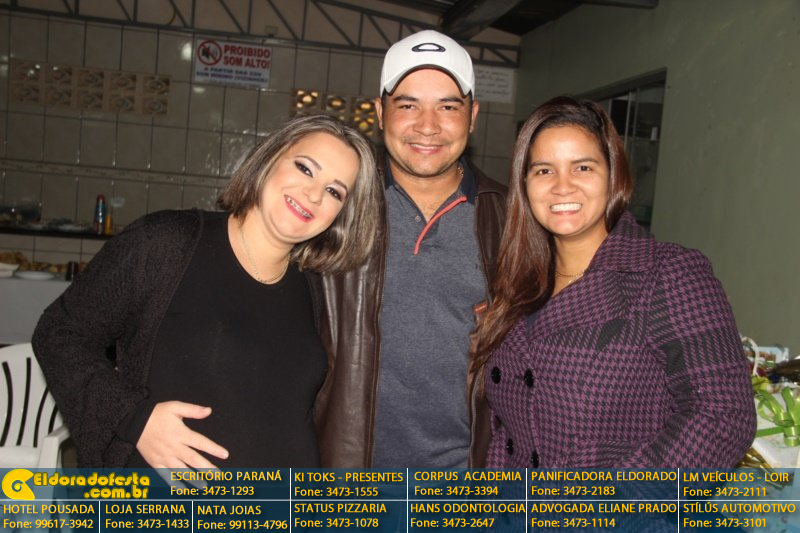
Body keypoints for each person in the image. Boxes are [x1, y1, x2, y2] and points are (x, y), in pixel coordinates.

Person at [32, 114, 381, 468]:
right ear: (270, 158)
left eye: (335, 191)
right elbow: (58, 333)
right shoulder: (167, 243)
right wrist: (134, 419)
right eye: (305, 168)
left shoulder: (313, 285)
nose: (314, 194)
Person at [473, 96, 756, 468]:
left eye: (583, 167)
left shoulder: (667, 274)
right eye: (543, 170)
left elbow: (723, 416)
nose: (562, 186)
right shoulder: (518, 281)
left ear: (613, 176)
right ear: (524, 184)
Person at [314, 30, 507, 468]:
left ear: (472, 116)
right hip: (345, 479)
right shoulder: (334, 204)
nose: (427, 126)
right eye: (407, 105)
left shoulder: (509, 218)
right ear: (380, 112)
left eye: (448, 107)